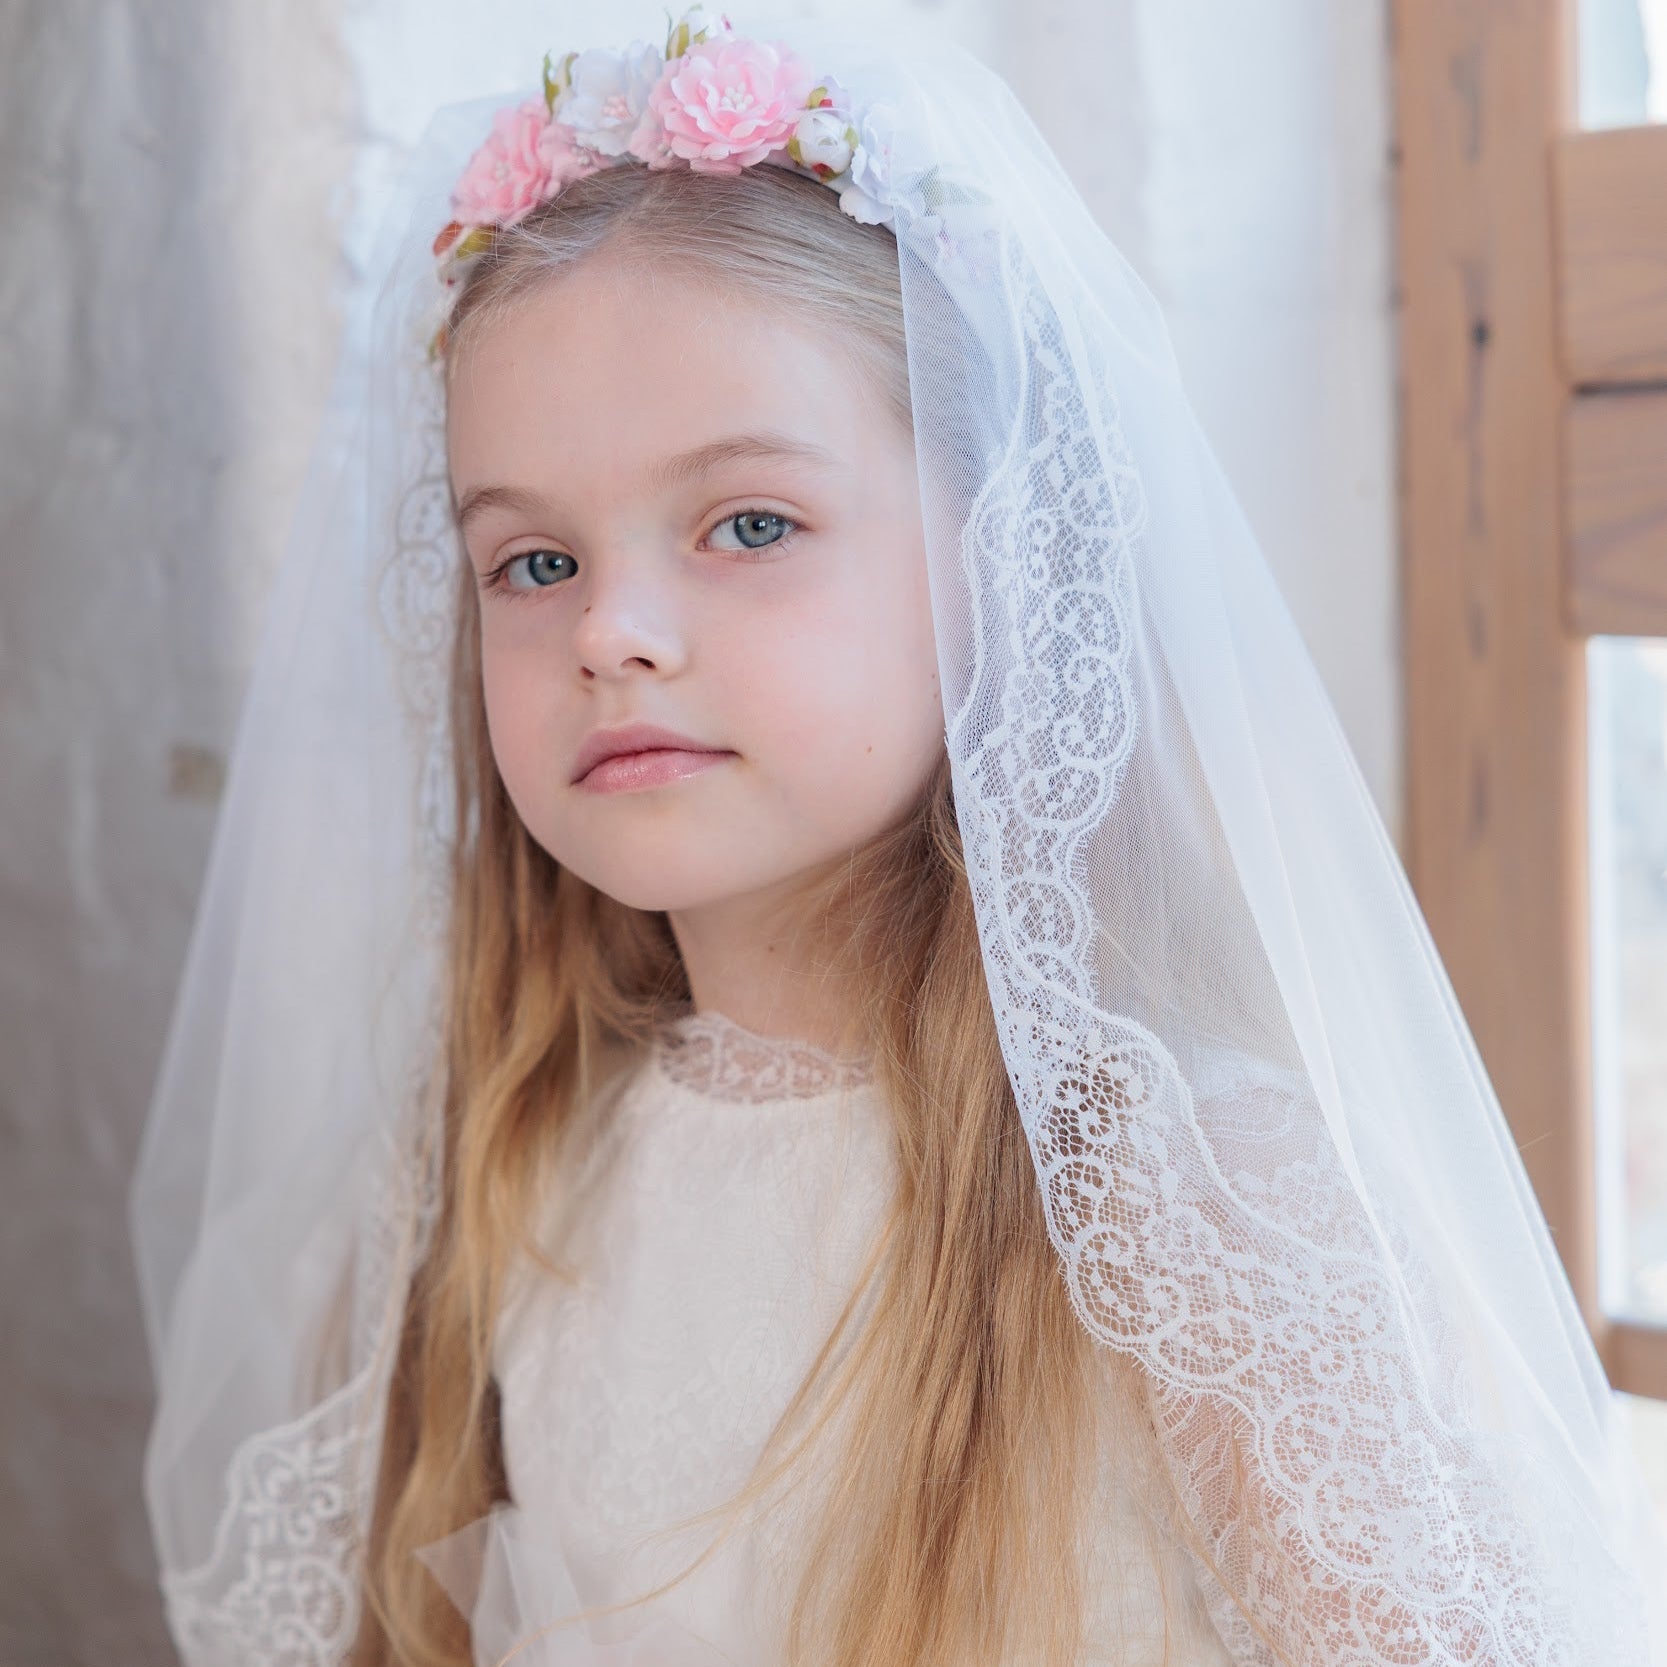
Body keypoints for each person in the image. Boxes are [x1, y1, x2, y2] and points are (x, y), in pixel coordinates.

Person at [128, 7, 1667, 1666]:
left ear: (994, 563)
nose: (613, 631)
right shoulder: (523, 1164)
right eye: (536, 562)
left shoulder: (1188, 1204)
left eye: (752, 523)